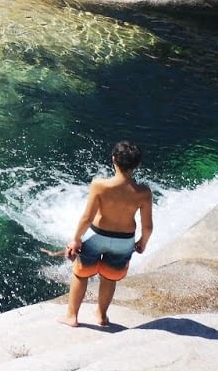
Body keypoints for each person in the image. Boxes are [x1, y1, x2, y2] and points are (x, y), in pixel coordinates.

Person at [62, 140, 153, 328]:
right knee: (109, 277)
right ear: (137, 165)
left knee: (81, 274)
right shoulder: (143, 192)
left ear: (113, 160)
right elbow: (148, 226)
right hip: (123, 241)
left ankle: (72, 316)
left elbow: (87, 217)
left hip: (97, 236)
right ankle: (101, 315)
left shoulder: (100, 185)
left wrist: (76, 239)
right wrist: (142, 242)